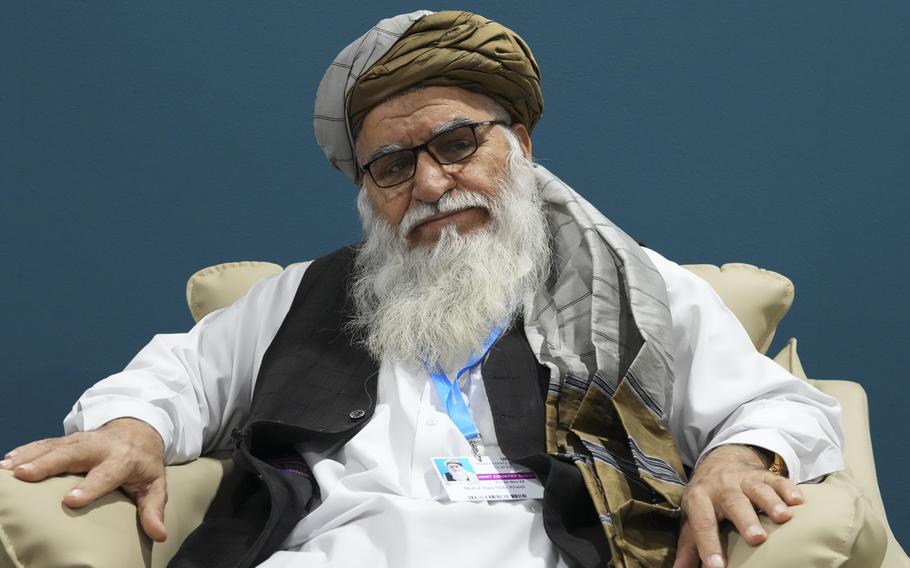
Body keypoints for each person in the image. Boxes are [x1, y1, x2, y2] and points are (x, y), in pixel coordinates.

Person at [0, 10, 846, 568]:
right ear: (368, 188)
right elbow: (172, 378)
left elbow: (787, 407)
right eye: (394, 166)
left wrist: (736, 458)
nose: (434, 184)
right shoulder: (307, 296)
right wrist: (133, 430)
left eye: (457, 143)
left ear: (516, 142)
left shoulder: (628, 288)